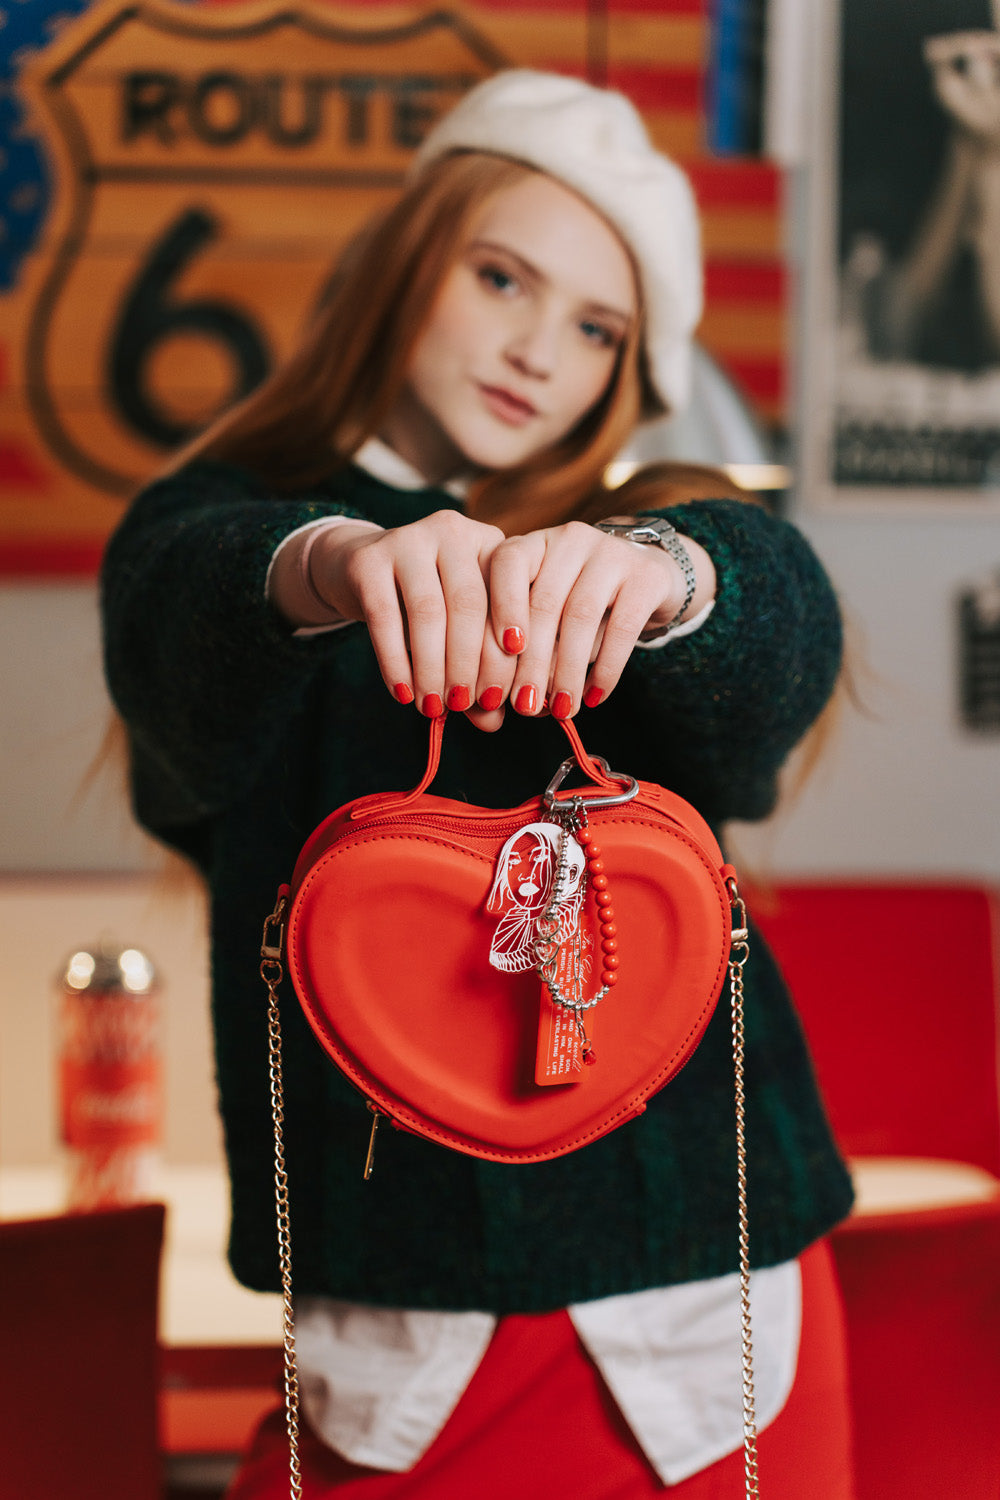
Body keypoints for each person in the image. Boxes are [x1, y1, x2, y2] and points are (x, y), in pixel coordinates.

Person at [101, 70, 856, 1499]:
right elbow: (174, 615)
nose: (535, 349)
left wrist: (667, 575)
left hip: (718, 1315)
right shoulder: (229, 522)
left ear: (630, 376)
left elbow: (780, 631)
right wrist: (330, 562)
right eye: (501, 275)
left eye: (596, 328)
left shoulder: (643, 529)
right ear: (407, 261)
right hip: (392, 1329)